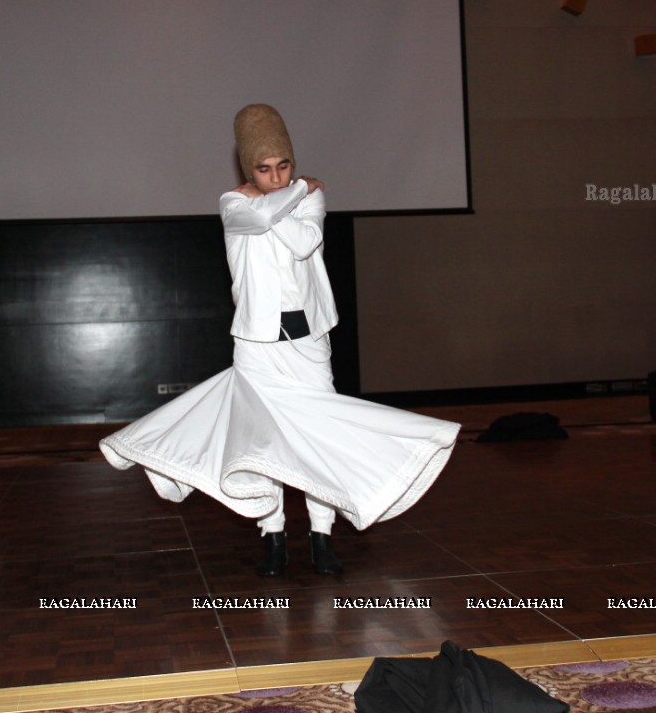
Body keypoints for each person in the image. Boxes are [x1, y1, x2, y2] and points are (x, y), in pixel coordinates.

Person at [101, 104, 459, 576]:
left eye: (284, 166)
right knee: (260, 439)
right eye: (264, 169)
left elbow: (303, 243)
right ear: (248, 169)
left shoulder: (303, 201)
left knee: (320, 432)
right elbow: (254, 218)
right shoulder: (233, 204)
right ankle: (272, 537)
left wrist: (286, 198)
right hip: (257, 344)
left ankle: (321, 537)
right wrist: (295, 191)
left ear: (292, 161)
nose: (276, 176)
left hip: (308, 340)